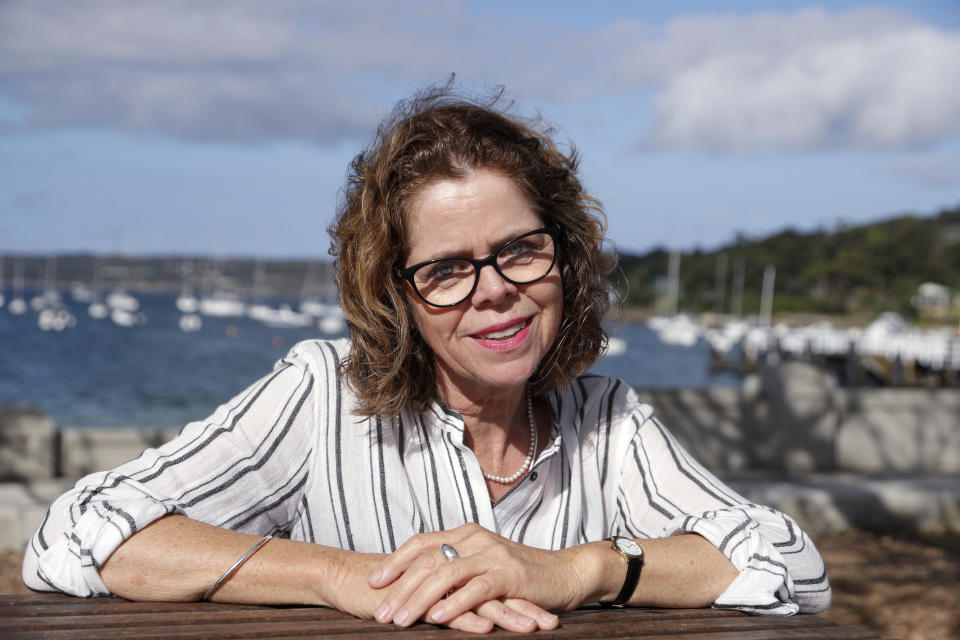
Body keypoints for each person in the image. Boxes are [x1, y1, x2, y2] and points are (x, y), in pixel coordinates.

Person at [23, 83, 830, 634]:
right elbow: (77, 533)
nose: (494, 292)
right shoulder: (320, 397)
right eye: (446, 269)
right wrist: (342, 577)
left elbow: (793, 565)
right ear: (396, 295)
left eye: (520, 250)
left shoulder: (608, 422)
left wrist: (574, 571)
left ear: (566, 260)